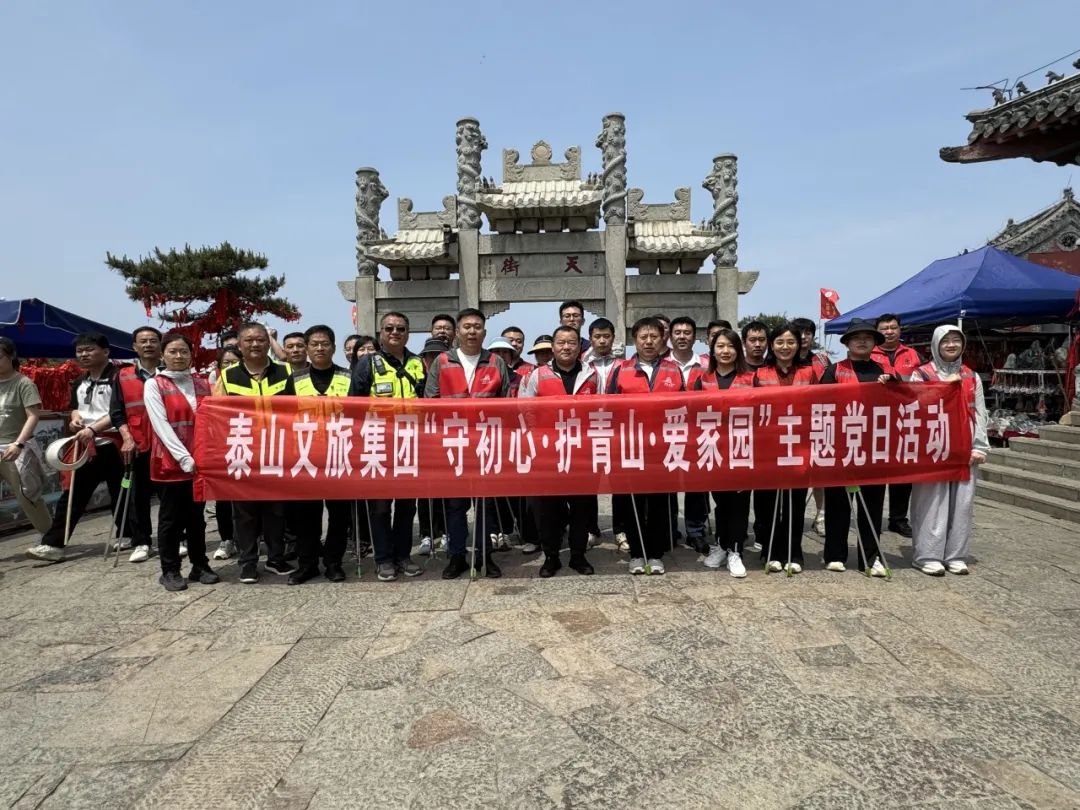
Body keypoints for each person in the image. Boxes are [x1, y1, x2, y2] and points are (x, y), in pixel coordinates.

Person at [28, 333, 133, 562]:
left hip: (113, 443)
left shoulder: (119, 378)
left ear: (106, 352)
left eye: (89, 349)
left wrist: (94, 428)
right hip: (86, 444)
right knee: (73, 494)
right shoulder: (79, 381)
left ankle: (128, 534)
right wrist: (75, 419)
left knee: (121, 491)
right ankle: (53, 544)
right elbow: (75, 407)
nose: (83, 354)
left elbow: (119, 412)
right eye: (80, 351)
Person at [425, 308, 513, 579]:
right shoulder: (442, 362)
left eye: (477, 327)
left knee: (485, 503)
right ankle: (456, 556)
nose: (471, 331)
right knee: (455, 505)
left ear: (484, 332)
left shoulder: (496, 362)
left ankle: (484, 555)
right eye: (466, 326)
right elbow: (430, 401)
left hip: (486, 443)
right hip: (453, 444)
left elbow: (507, 403)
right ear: (457, 332)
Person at [214, 322, 296, 583]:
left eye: (260, 339)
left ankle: (275, 558)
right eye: (249, 340)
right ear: (239, 345)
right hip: (243, 451)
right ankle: (248, 562)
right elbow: (217, 416)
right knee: (244, 511)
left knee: (276, 509)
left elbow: (296, 411)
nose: (255, 344)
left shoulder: (285, 371)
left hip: (276, 450)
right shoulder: (227, 376)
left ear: (268, 342)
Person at [350, 312, 426, 582]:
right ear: (380, 333)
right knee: (380, 506)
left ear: (408, 333)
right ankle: (383, 559)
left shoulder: (418, 363)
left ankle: (403, 556)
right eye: (389, 328)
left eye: (401, 328)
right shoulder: (367, 364)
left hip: (410, 444)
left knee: (407, 506)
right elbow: (353, 406)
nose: (395, 332)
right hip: (377, 445)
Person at [519, 325, 598, 577]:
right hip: (548, 454)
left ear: (579, 346)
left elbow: (603, 410)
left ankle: (578, 556)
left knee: (581, 508)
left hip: (582, 453)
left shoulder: (592, 375)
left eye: (571, 342)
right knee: (548, 509)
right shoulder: (537, 375)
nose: (566, 347)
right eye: (561, 342)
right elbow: (525, 410)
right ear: (553, 347)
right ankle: (551, 556)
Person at [607, 316, 684, 575]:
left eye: (654, 337)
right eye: (643, 337)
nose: (649, 342)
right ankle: (637, 553)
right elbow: (610, 408)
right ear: (634, 340)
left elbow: (685, 407)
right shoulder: (621, 370)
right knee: (633, 502)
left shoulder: (673, 370)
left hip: (664, 447)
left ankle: (656, 553)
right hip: (632, 447)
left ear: (663, 339)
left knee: (660, 502)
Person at [909, 325, 988, 576]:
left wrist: (979, 445)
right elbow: (915, 405)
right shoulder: (921, 374)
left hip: (964, 445)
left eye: (956, 340)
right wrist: (944, 387)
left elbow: (980, 412)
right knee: (931, 500)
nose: (951, 345)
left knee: (962, 503)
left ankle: (956, 555)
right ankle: (927, 554)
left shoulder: (971, 376)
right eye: (945, 341)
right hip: (932, 445)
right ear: (935, 344)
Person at [143, 333, 219, 591]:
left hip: (201, 462)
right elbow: (160, 424)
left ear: (191, 354)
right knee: (171, 519)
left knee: (196, 517)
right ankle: (170, 570)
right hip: (171, 462)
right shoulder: (155, 385)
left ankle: (200, 565)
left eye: (184, 351)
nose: (178, 356)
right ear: (163, 355)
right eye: (173, 351)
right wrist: (183, 457)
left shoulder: (203, 383)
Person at [819, 318, 893, 577]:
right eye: (857, 337)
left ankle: (870, 557)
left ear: (874, 343)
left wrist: (892, 386)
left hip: (873, 448)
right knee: (838, 503)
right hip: (841, 446)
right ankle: (835, 554)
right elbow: (821, 403)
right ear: (847, 343)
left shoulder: (884, 373)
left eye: (868, 337)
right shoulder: (834, 371)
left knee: (872, 504)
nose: (862, 341)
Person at [288, 324, 354, 584]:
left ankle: (333, 563)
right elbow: (280, 415)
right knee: (306, 514)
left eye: (324, 344)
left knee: (339, 514)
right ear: (307, 348)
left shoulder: (348, 377)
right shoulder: (294, 380)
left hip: (340, 455)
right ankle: (307, 564)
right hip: (306, 456)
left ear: (333, 347)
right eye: (314, 344)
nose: (319, 348)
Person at [689, 328, 755, 577]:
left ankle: (736, 550)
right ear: (712, 350)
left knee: (738, 503)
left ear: (738, 350)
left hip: (741, 448)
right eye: (720, 346)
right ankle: (721, 544)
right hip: (713, 448)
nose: (725, 351)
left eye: (730, 346)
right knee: (721, 502)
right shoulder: (703, 379)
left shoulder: (751, 378)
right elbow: (693, 413)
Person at [753, 323, 816, 573]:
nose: (785, 347)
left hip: (799, 445)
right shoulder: (760, 373)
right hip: (768, 447)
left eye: (791, 342)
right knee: (767, 503)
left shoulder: (810, 372)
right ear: (771, 345)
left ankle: (793, 552)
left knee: (795, 502)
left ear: (799, 345)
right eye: (779, 342)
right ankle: (770, 551)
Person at [108, 326, 161, 563]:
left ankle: (178, 538)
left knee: (171, 495)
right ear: (135, 347)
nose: (148, 345)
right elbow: (116, 412)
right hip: (138, 443)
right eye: (143, 341)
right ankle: (142, 542)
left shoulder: (170, 372)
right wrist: (127, 438)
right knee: (137, 496)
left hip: (167, 443)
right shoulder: (123, 375)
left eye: (153, 340)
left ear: (160, 345)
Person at [871, 313, 923, 539]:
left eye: (893, 327)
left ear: (900, 330)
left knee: (903, 471)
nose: (889, 332)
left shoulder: (913, 354)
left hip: (906, 418)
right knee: (877, 470)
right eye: (884, 328)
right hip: (876, 420)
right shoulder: (868, 353)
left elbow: (926, 383)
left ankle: (898, 519)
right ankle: (873, 517)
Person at [0, 338, 52, 537]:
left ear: (11, 356)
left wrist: (18, 444)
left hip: (15, 446)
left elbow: (33, 416)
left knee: (28, 495)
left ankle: (49, 537)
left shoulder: (24, 383)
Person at [668, 316, 708, 552]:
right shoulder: (661, 364)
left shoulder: (706, 365)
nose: (682, 337)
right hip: (668, 431)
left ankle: (696, 530)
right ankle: (669, 528)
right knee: (667, 482)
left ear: (695, 336)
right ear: (670, 336)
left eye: (687, 332)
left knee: (696, 483)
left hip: (697, 432)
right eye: (677, 332)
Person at [582, 317, 619, 546]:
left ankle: (621, 529)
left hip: (617, 430)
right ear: (591, 338)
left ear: (613, 338)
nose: (602, 340)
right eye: (597, 336)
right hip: (590, 430)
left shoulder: (623, 364)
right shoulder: (582, 365)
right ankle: (590, 528)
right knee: (589, 482)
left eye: (606, 336)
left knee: (620, 480)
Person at [792, 316, 831, 537]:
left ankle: (821, 515)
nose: (804, 337)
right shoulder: (783, 359)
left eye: (808, 333)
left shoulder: (822, 361)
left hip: (817, 422)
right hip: (790, 424)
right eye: (800, 333)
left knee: (819, 472)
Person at [416, 338, 450, 557]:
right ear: (424, 359)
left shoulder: (453, 380)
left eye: (439, 355)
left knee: (447, 490)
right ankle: (426, 534)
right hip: (422, 442)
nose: (434, 359)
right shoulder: (416, 382)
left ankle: (446, 532)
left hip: (448, 440)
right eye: (430, 356)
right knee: (425, 492)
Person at [210, 345, 242, 561]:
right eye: (226, 363)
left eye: (234, 363)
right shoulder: (214, 385)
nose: (230, 367)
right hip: (224, 444)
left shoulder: (246, 380)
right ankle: (227, 539)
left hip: (247, 443)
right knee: (224, 496)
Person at [500, 326, 536, 395]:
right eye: (510, 340)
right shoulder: (491, 368)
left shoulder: (533, 370)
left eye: (519, 341)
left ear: (523, 345)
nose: (514, 344)